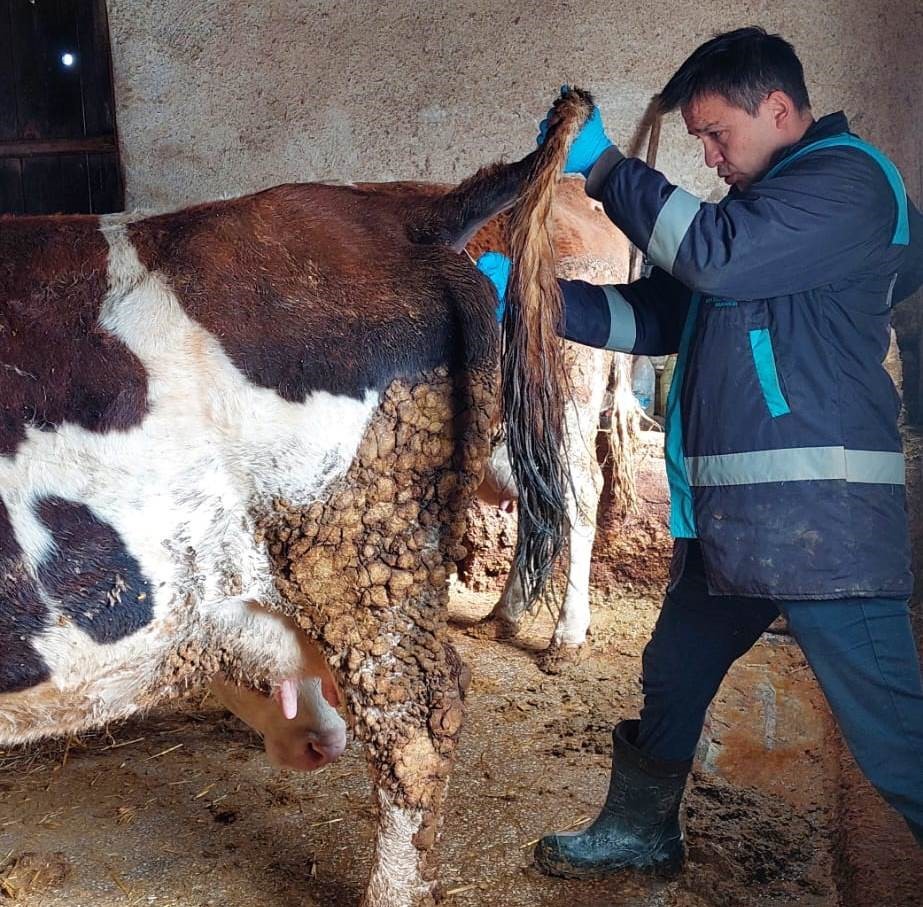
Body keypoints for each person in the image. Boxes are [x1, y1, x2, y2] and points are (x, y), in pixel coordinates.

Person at [476, 26, 923, 879]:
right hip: (737, 526)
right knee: (673, 670)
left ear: (781, 109)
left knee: (893, 737)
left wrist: (605, 169)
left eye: (718, 134)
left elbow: (715, 257)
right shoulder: (758, 222)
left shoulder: (850, 182)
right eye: (699, 142)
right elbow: (653, 318)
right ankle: (641, 828)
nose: (710, 158)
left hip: (822, 530)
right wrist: (526, 296)